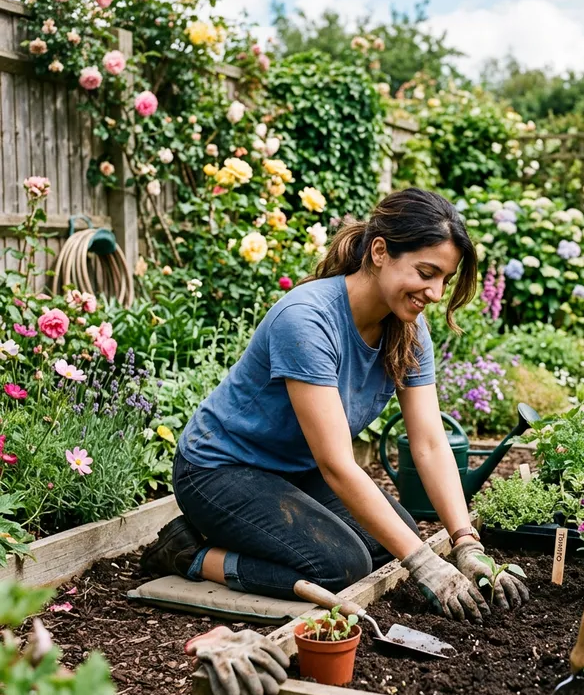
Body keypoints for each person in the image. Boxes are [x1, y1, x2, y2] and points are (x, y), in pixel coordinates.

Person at [141, 188, 529, 624]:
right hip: (218, 471)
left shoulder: (408, 330)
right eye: (426, 272)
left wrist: (465, 543)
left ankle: (251, 536)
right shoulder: (307, 319)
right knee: (340, 567)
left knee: (392, 542)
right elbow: (338, 466)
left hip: (292, 470)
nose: (436, 293)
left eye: (445, 279)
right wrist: (425, 564)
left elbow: (430, 443)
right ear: (379, 252)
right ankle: (189, 552)